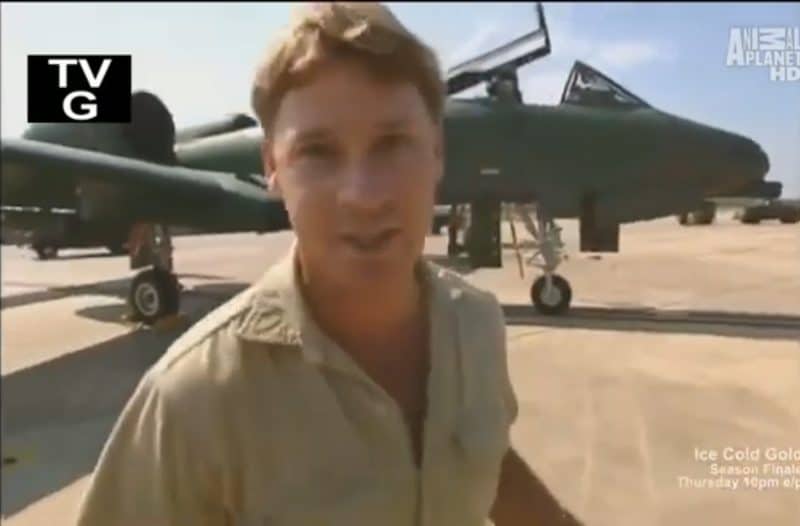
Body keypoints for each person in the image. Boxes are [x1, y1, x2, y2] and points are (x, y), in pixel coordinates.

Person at [74, 3, 582, 525]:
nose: (363, 196)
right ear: (272, 166)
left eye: (392, 143)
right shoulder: (190, 402)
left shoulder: (475, 325)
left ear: (437, 151)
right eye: (318, 151)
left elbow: (488, 461)